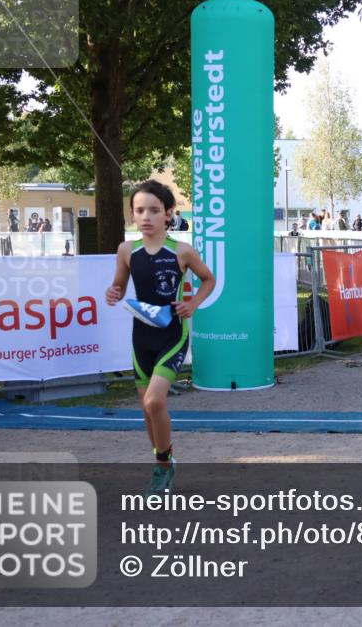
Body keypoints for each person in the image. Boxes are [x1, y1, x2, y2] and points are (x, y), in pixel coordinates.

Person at [105, 180, 215, 495]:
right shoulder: (126, 250)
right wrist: (113, 292)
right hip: (142, 336)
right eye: (139, 210)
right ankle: (162, 463)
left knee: (155, 401)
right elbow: (119, 285)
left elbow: (208, 279)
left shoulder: (182, 251)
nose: (146, 217)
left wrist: (193, 304)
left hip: (172, 335)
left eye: (154, 210)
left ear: (169, 214)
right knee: (147, 409)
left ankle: (163, 464)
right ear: (132, 215)